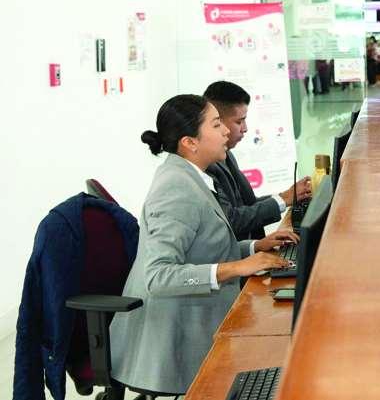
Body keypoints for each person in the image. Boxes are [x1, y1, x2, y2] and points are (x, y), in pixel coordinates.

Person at [110, 94, 293, 394]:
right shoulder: (175, 189)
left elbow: (202, 248)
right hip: (172, 341)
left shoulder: (192, 176)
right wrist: (237, 268)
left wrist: (254, 247)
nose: (226, 131)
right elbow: (158, 276)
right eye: (217, 124)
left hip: (193, 319)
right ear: (190, 142)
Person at [204, 81, 312, 240]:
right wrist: (283, 199)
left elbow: (247, 204)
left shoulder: (227, 154)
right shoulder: (206, 165)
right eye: (239, 121)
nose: (245, 128)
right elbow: (231, 221)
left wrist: (287, 196)